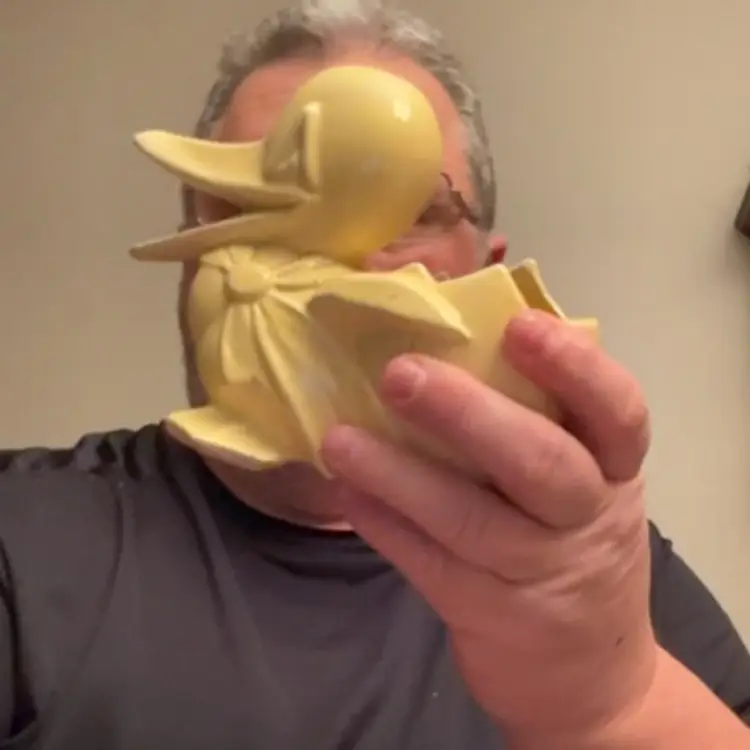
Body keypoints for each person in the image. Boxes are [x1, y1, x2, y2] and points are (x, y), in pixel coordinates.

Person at [2, 2, 749, 748]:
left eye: (408, 210)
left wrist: (618, 704)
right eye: (250, 208)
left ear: (485, 271)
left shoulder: (589, 584)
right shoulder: (25, 543)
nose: (329, 258)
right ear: (189, 263)